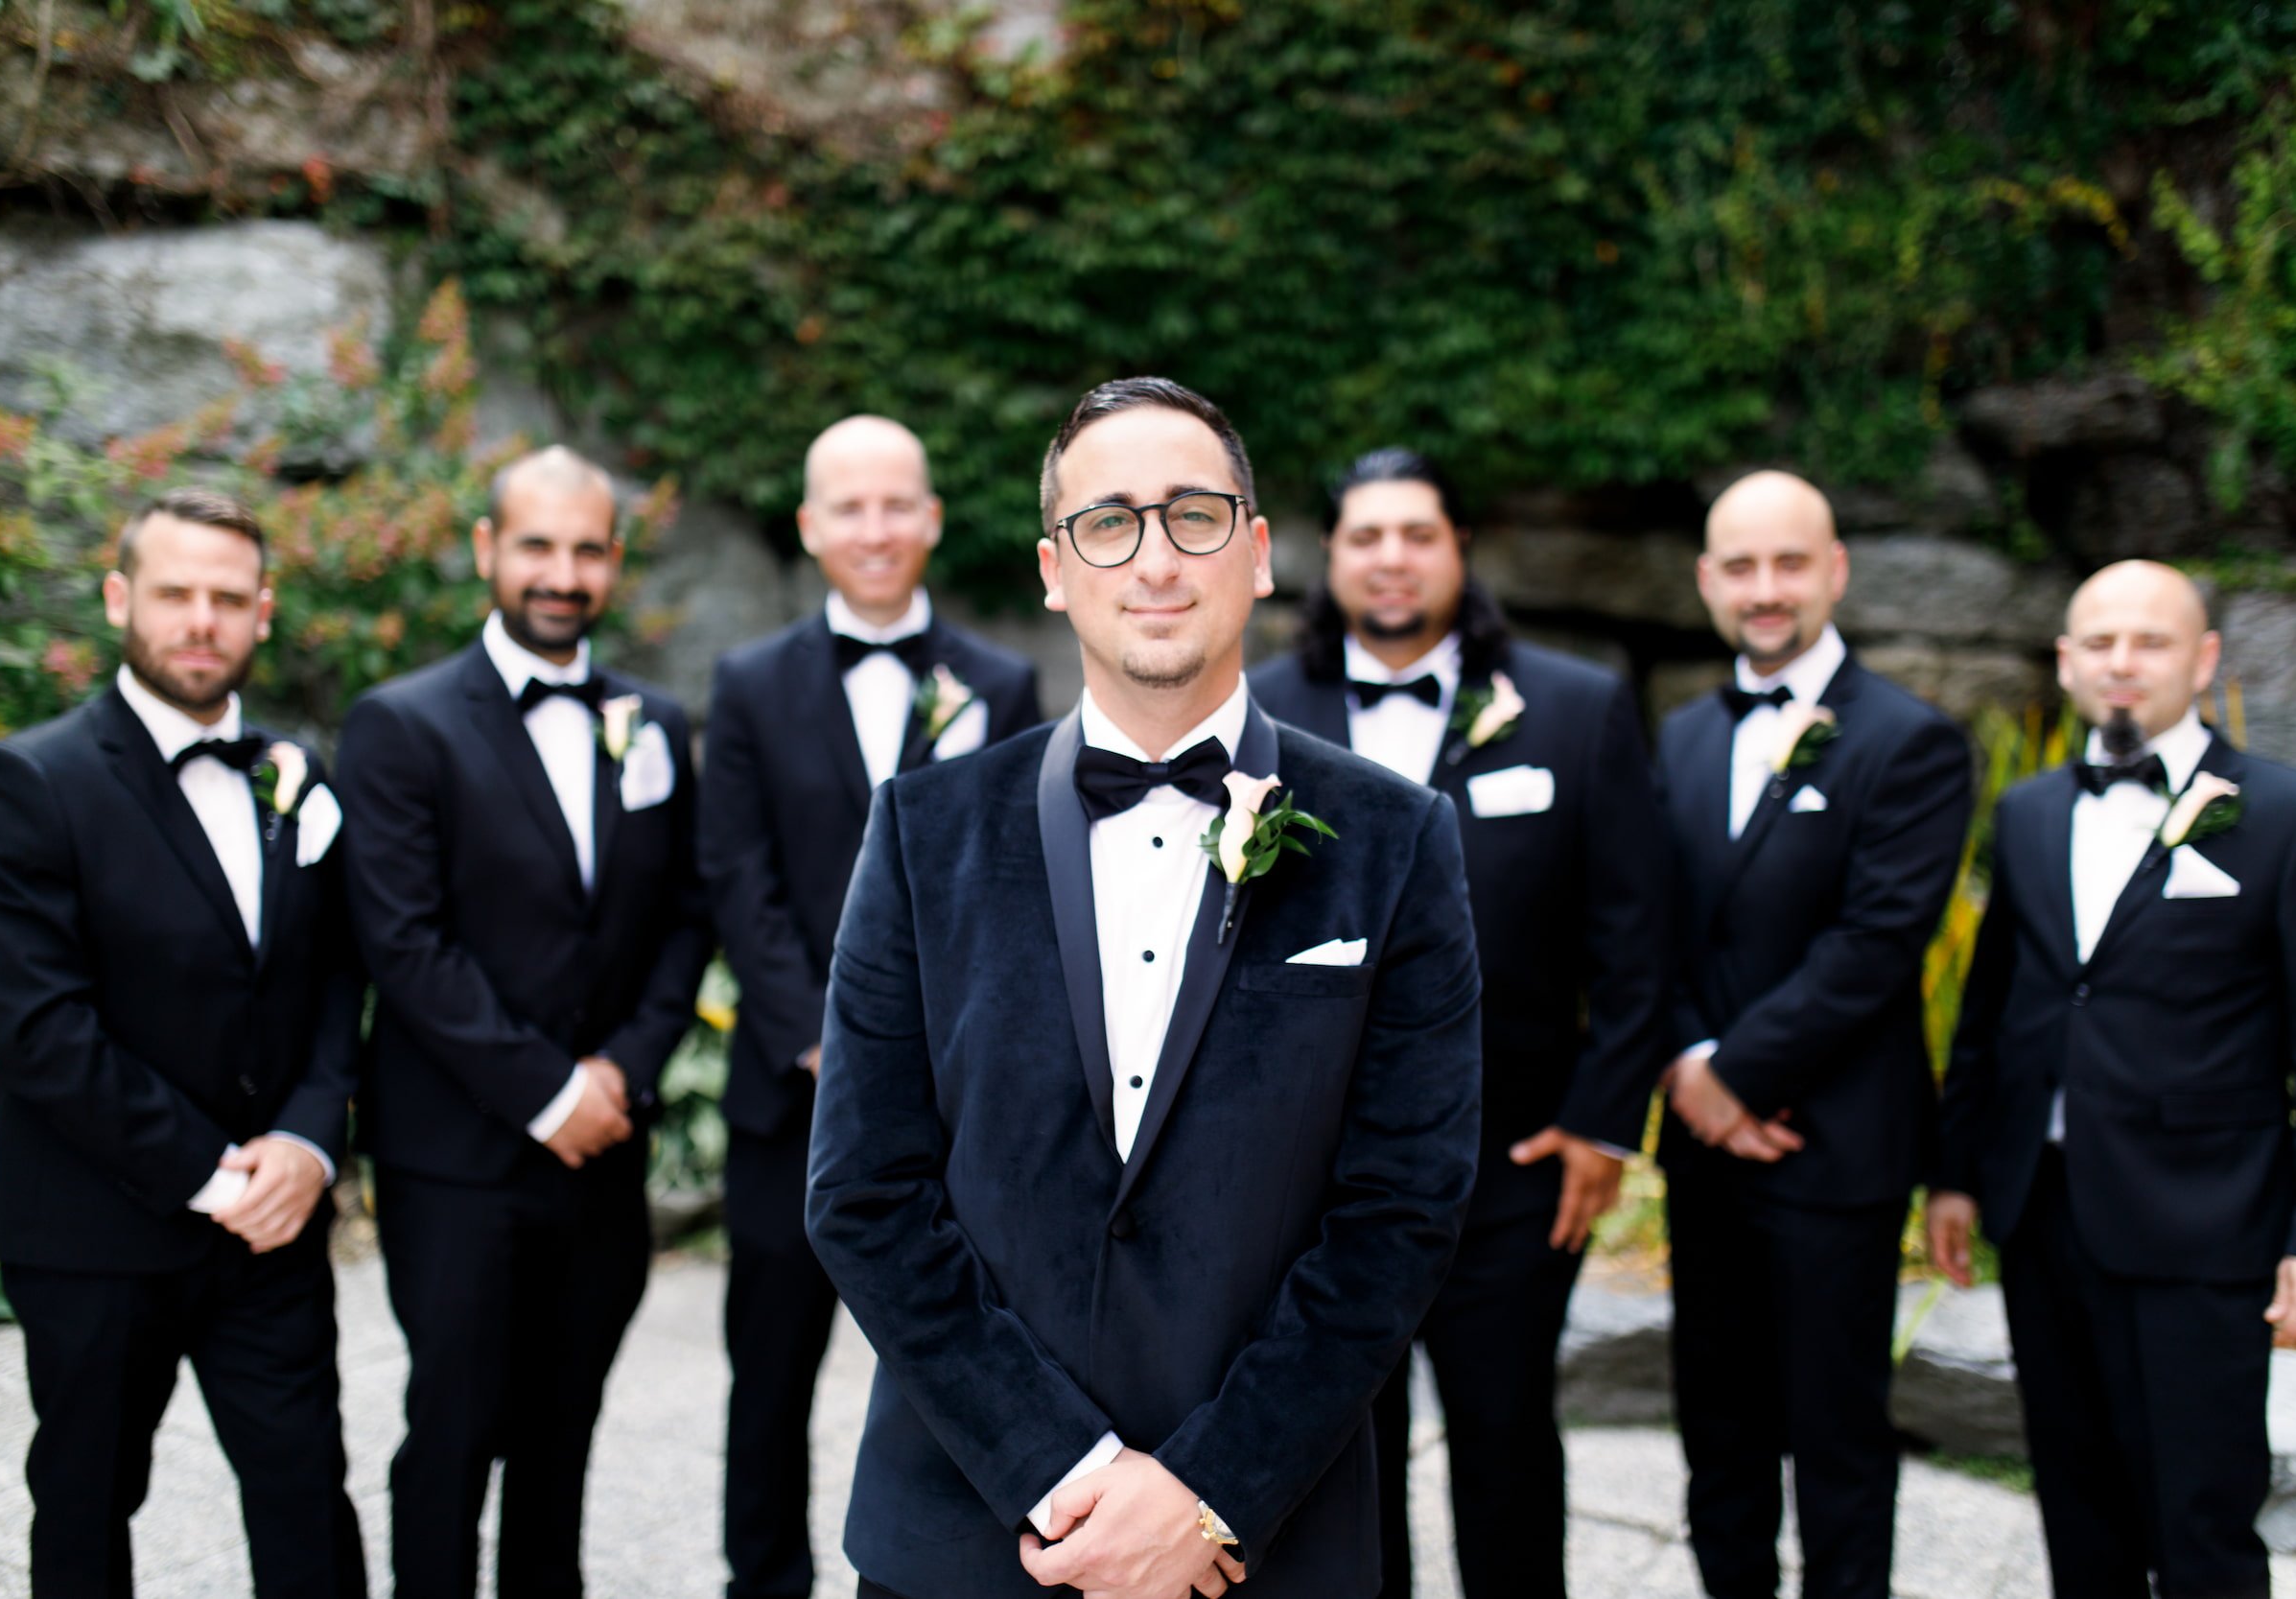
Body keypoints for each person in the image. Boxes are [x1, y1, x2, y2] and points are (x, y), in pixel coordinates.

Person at [805, 377, 1484, 1598]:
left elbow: (1402, 1207)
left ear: (1261, 553)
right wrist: (1064, 1469)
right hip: (969, 1539)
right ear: (1056, 568)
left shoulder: (1394, 839)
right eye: (1109, 522)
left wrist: (1208, 1489)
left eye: (1195, 515)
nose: (1155, 558)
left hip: (1259, 1548)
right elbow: (865, 1189)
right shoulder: (920, 831)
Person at [1249, 447, 1669, 1598]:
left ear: (1458, 551)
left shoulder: (1576, 710)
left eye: (1416, 533)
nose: (1392, 558)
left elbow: (1634, 940)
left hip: (1512, 1162)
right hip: (1308, 1173)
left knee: (1506, 1443)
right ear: (1327, 557)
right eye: (1366, 536)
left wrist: (1601, 1122)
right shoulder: (1256, 717)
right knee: (1333, 1459)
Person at [0, 488, 366, 1597]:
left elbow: (337, 976)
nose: (201, 619)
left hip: (272, 1224)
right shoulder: (25, 780)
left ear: (264, 612)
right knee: (87, 1505)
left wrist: (306, 1141)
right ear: (118, 597)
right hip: (95, 1224)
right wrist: (208, 1171)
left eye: (227, 598)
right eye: (176, 592)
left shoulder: (302, 771)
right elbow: (41, 1033)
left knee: (306, 1498)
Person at [1928, 559, 2296, 1599]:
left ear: (2203, 660)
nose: (2123, 662)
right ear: (2067, 660)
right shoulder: (2027, 810)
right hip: (2044, 1216)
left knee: (2202, 1523)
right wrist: (1955, 1172)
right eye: (2100, 641)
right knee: (2081, 1517)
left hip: (2202, 1224)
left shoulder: (2292, 817)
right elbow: (1995, 1009)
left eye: (2151, 641)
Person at [338, 446, 711, 1598]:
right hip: (456, 1157)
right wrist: (551, 1092)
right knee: (450, 1434)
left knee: (565, 1434)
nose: (563, 571)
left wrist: (625, 1073)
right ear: (489, 550)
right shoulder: (401, 725)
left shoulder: (652, 720)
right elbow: (403, 941)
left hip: (603, 1155)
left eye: (587, 548)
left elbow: (685, 916)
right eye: (538, 545)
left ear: (613, 563)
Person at [702, 414, 1039, 1597]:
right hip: (788, 1104)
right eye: (848, 506)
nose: (875, 527)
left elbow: (1013, 887)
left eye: (897, 503)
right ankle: (767, 1582)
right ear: (809, 526)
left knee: (957, 1366)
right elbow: (736, 880)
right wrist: (826, 1042)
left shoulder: (1001, 683)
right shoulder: (746, 686)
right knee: (771, 1378)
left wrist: (935, 1058)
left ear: (933, 518)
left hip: (957, 1109)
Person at [1653, 470, 1972, 1599]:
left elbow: (1874, 947)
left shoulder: (1913, 742)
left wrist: (1731, 1075)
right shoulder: (1679, 737)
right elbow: (1651, 931)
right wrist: (1690, 1068)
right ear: (1706, 581)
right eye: (1740, 566)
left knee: (1837, 1440)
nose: (1765, 587)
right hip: (1704, 1152)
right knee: (1718, 1432)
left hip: (1832, 1146)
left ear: (1835, 570)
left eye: (1790, 562)